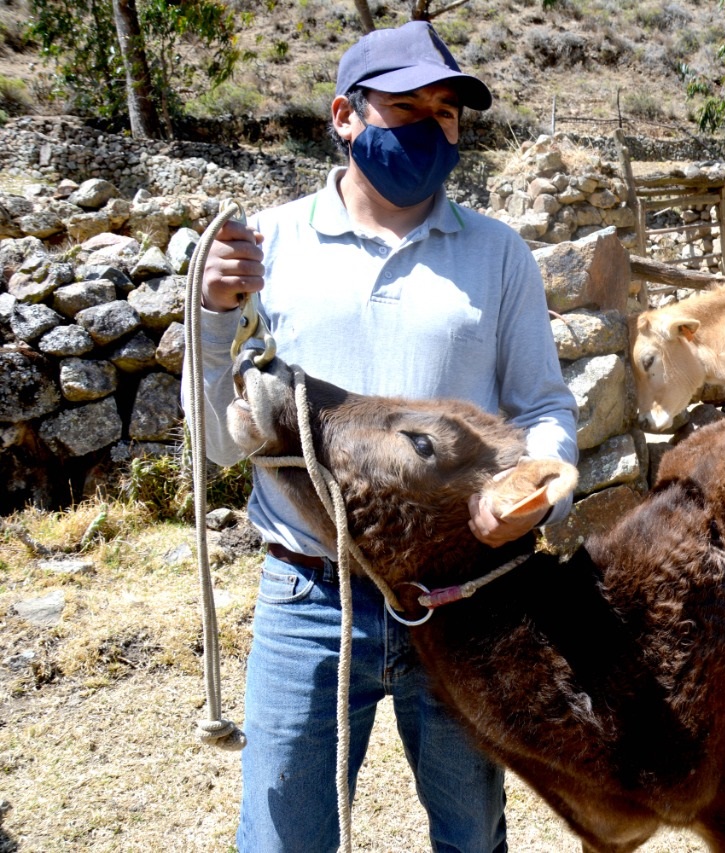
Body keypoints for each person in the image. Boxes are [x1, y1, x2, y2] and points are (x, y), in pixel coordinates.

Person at [185, 21, 579, 853]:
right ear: (345, 115)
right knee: (283, 839)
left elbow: (545, 408)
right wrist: (214, 317)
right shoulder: (266, 247)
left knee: (473, 835)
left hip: (464, 598)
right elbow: (222, 444)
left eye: (447, 112)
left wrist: (540, 491)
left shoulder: (499, 255)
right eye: (407, 106)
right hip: (307, 596)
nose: (433, 128)